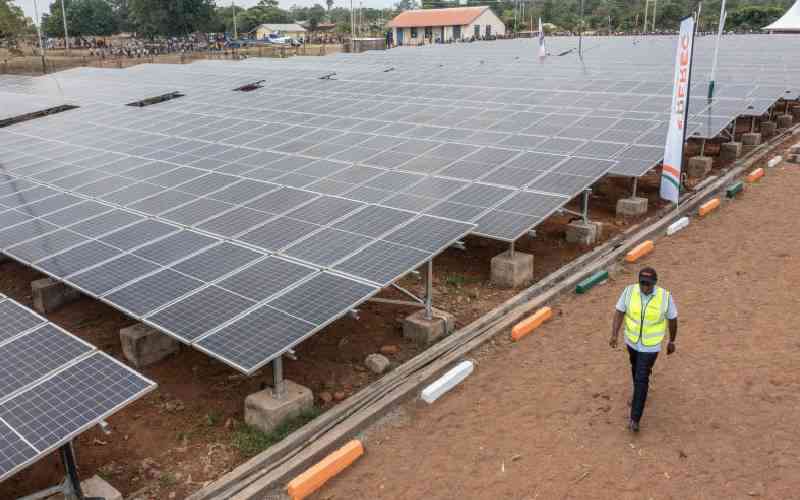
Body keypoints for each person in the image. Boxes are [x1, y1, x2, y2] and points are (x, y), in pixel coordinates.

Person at [609, 267, 678, 432]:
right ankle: (639, 389)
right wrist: (614, 334)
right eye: (642, 283)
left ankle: (635, 418)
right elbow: (619, 312)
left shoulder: (665, 297)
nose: (645, 287)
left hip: (651, 346)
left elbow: (673, 319)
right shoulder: (629, 291)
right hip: (632, 342)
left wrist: (672, 341)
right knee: (635, 368)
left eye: (648, 284)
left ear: (655, 283)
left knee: (641, 378)